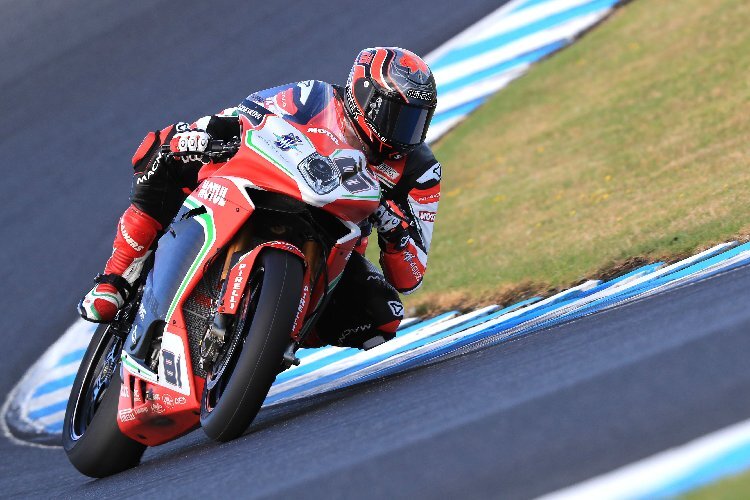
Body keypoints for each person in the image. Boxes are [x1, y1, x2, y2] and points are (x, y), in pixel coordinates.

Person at [78, 47, 441, 350]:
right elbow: (249, 112)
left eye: (417, 120)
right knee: (165, 152)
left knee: (384, 313)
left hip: (336, 246)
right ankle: (117, 277)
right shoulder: (314, 98)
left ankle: (275, 337)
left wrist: (396, 233)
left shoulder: (420, 171)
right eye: (398, 115)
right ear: (366, 97)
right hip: (267, 189)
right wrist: (202, 134)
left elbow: (410, 277)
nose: (406, 131)